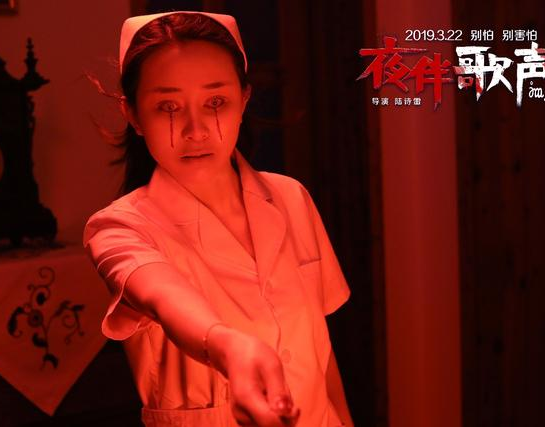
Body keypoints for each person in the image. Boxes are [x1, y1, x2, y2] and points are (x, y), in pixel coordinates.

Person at [83, 11, 353, 427]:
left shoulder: (291, 198)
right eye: (168, 106)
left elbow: (323, 362)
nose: (196, 130)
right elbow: (161, 293)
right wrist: (226, 346)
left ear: (243, 100)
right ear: (133, 114)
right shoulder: (118, 227)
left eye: (215, 102)